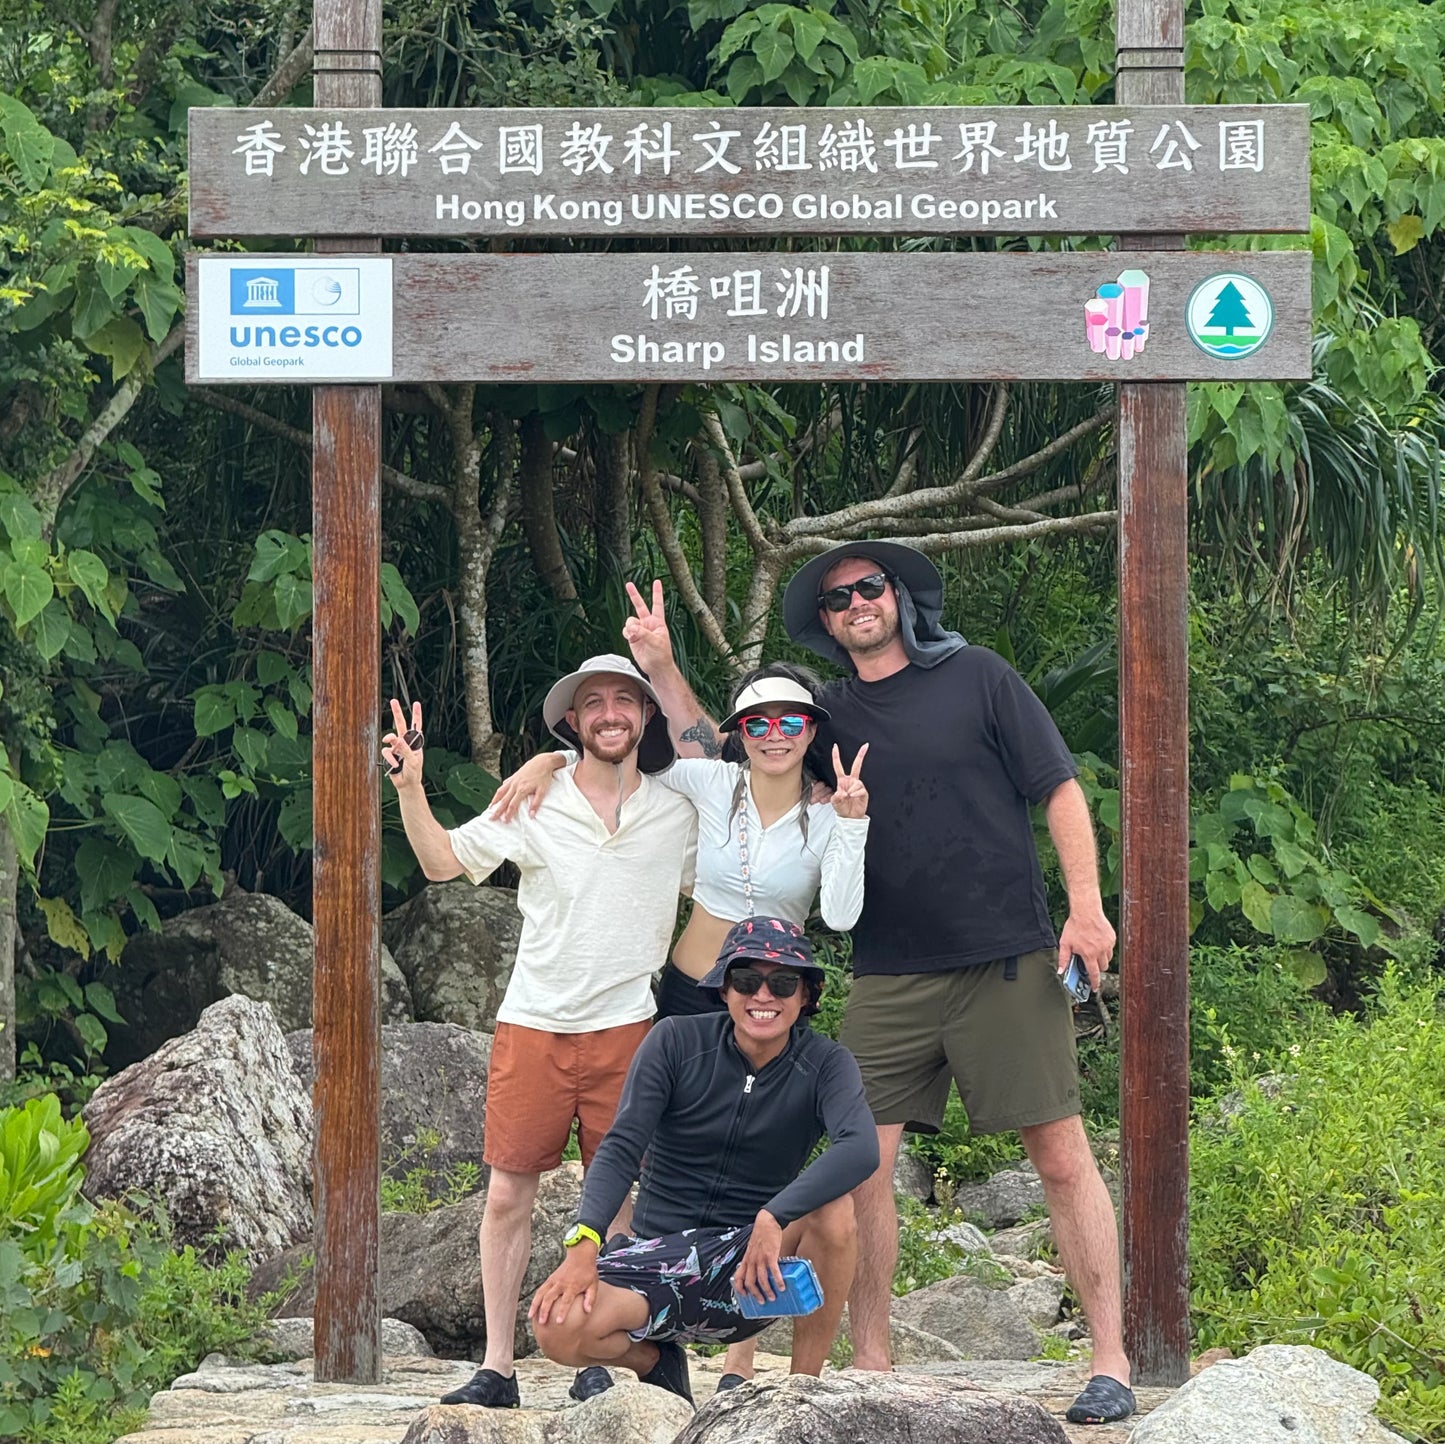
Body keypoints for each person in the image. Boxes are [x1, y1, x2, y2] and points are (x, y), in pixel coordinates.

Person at [630, 550, 1133, 1426]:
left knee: (1058, 1153)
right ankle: (870, 1360)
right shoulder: (826, 716)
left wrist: (1085, 909)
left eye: (869, 588)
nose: (856, 603)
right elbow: (730, 746)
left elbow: (1057, 787)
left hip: (1003, 956)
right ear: (824, 621)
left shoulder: (979, 677)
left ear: (899, 596)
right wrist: (660, 670)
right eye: (837, 598)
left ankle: (1110, 1361)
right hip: (885, 971)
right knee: (859, 1167)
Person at [492, 638, 871, 1390]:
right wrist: (550, 760)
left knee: (771, 1147)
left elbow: (841, 913)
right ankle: (645, 1322)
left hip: (771, 989)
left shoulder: (827, 814)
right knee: (655, 1147)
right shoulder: (709, 779)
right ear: (737, 732)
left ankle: (747, 1364)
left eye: (789, 721)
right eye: (756, 722)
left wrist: (854, 823)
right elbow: (617, 754)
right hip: (690, 988)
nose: (773, 734)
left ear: (812, 731)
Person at [383, 656, 697, 1410]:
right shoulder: (535, 800)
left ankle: (601, 1350)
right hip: (533, 1023)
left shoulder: (678, 812)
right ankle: (497, 1367)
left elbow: (738, 834)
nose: (611, 713)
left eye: (626, 700)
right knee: (506, 1196)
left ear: (646, 717)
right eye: (594, 703)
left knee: (621, 1202)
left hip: (630, 1028)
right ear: (572, 721)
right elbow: (440, 861)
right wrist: (409, 787)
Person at [527, 917, 879, 1402]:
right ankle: (655, 1361)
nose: (763, 996)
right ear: (724, 989)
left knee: (835, 1210)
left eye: (782, 983)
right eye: (746, 980)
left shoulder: (826, 1063)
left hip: (752, 1266)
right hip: (658, 1255)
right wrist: (584, 1241)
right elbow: (622, 1144)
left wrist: (774, 1216)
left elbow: (860, 1147)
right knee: (557, 1326)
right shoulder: (674, 1040)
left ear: (806, 996)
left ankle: (800, 1394)